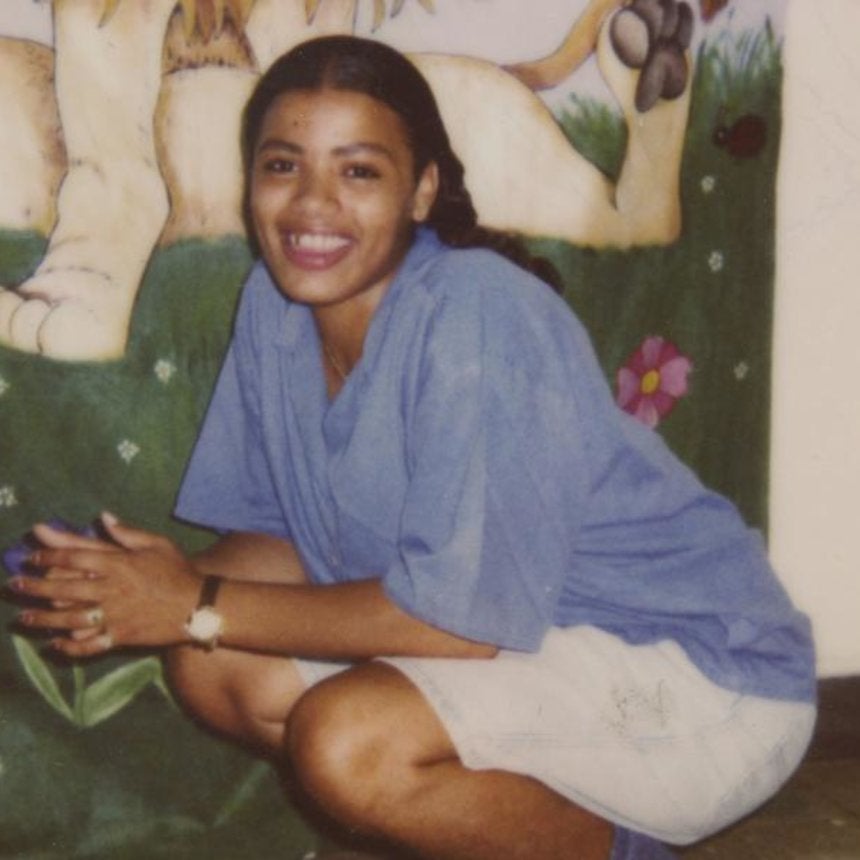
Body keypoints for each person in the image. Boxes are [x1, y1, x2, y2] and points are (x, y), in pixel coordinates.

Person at [8, 34, 816, 860]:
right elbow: (280, 546)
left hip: (700, 674)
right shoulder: (275, 306)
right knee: (215, 660)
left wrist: (192, 601)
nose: (312, 205)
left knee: (345, 742)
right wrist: (125, 583)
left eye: (358, 172)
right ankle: (527, 828)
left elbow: (457, 625)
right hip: (526, 646)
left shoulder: (479, 313)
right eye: (282, 166)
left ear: (421, 191)